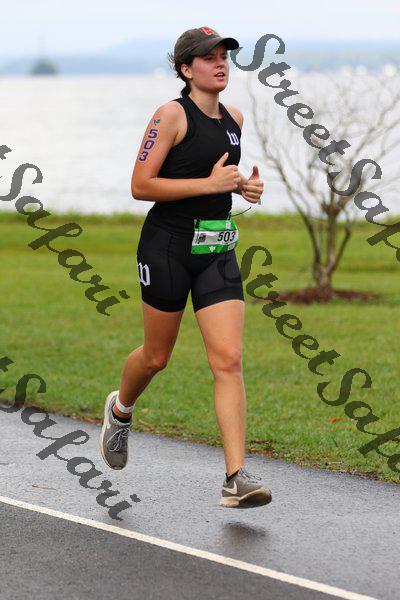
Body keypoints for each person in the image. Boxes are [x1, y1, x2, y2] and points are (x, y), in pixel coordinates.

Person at [99, 26, 272, 508]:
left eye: (224, 57)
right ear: (185, 69)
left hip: (217, 248)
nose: (220, 63)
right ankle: (121, 409)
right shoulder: (170, 115)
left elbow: (218, 179)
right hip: (167, 247)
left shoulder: (235, 118)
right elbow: (141, 185)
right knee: (156, 357)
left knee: (228, 359)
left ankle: (235, 477)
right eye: (209, 57)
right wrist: (209, 184)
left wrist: (242, 187)